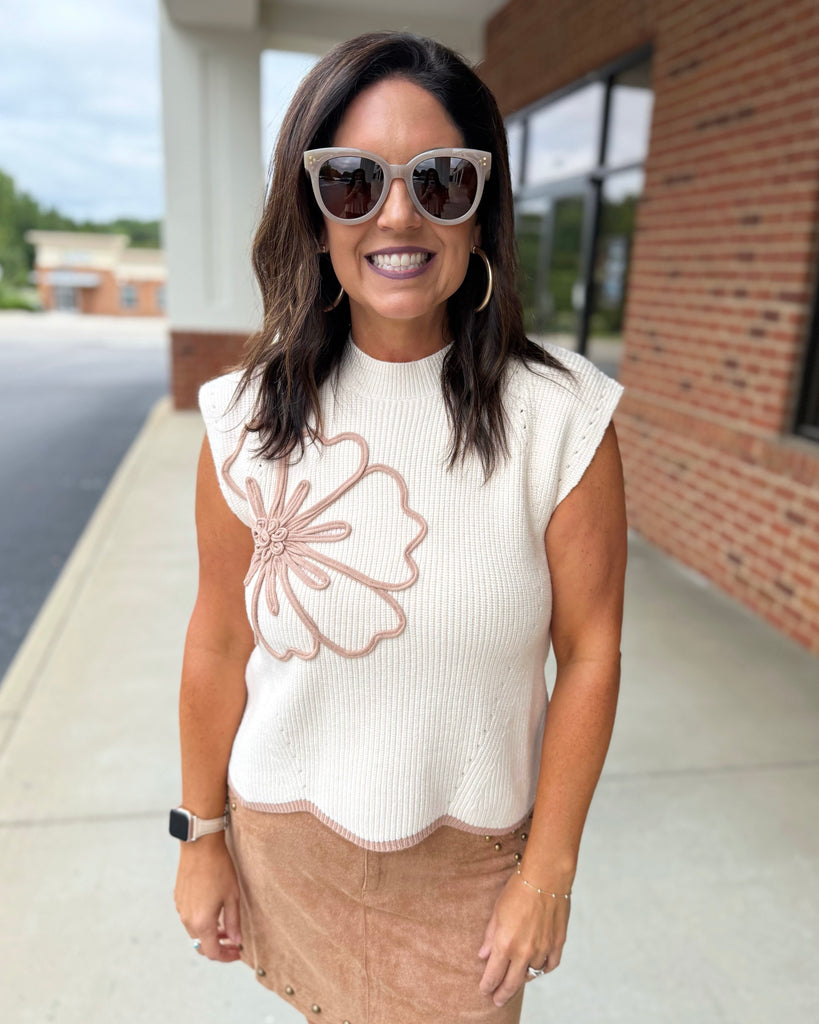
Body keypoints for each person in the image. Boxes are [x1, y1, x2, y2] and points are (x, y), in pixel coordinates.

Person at [172, 30, 627, 1024]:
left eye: (439, 179)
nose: (396, 214)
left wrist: (549, 871)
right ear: (312, 210)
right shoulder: (244, 418)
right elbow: (217, 641)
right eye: (351, 181)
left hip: (471, 872)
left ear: (482, 206)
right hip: (285, 846)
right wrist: (199, 834)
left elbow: (591, 652)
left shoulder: (562, 418)